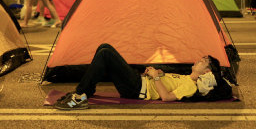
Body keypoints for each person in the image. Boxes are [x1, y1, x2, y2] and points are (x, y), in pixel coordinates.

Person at [54, 43, 225, 110]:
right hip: (140, 82)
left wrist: (155, 77)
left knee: (106, 54)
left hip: (138, 89)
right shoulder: (185, 77)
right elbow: (166, 84)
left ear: (206, 72)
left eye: (203, 61)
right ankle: (87, 91)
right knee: (104, 47)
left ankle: (79, 97)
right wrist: (157, 73)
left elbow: (166, 97)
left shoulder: (191, 86)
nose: (198, 60)